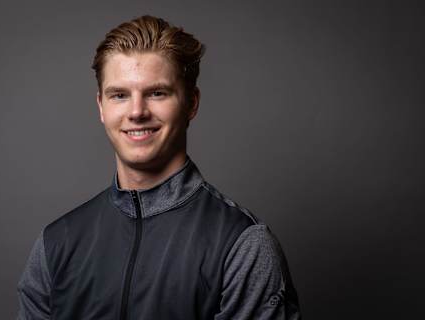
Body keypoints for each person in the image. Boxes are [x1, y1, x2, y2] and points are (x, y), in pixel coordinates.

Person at [16, 15, 301, 320]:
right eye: (120, 95)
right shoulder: (56, 244)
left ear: (191, 103)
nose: (137, 112)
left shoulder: (242, 245)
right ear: (101, 106)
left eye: (157, 93)